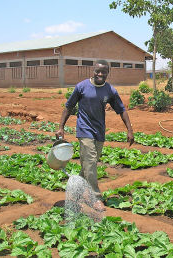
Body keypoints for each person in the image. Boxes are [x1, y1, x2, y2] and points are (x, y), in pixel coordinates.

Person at [56, 59, 134, 203]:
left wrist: (129, 130)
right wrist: (61, 127)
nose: (100, 74)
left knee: (88, 164)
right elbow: (69, 107)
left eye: (103, 72)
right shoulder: (82, 87)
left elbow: (121, 110)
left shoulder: (110, 90)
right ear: (93, 71)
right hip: (84, 129)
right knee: (90, 161)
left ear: (107, 73)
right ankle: (95, 198)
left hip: (99, 131)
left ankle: (75, 192)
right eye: (97, 71)